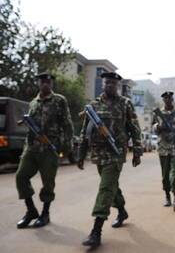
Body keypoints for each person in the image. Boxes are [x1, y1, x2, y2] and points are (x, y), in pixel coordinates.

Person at [77, 72, 142, 248]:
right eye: (107, 83)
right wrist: (81, 154)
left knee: (105, 187)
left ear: (118, 86)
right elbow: (86, 131)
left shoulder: (125, 103)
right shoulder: (93, 105)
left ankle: (96, 231)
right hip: (99, 153)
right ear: (103, 84)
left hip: (116, 153)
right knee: (112, 186)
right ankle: (122, 211)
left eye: (113, 83)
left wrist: (137, 151)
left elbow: (134, 128)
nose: (110, 86)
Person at [15, 72, 74, 229]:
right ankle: (31, 211)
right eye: (43, 81)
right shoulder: (33, 102)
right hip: (32, 147)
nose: (46, 84)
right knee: (21, 176)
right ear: (38, 84)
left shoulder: (59, 100)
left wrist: (67, 147)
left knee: (48, 183)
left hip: (50, 148)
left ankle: (45, 214)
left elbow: (67, 124)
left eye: (48, 81)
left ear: (52, 84)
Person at [152, 91, 175, 212]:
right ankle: (167, 197)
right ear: (163, 100)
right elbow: (154, 128)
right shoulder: (158, 113)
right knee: (165, 175)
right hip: (163, 148)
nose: (168, 100)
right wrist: (158, 127)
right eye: (165, 98)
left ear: (172, 99)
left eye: (170, 98)